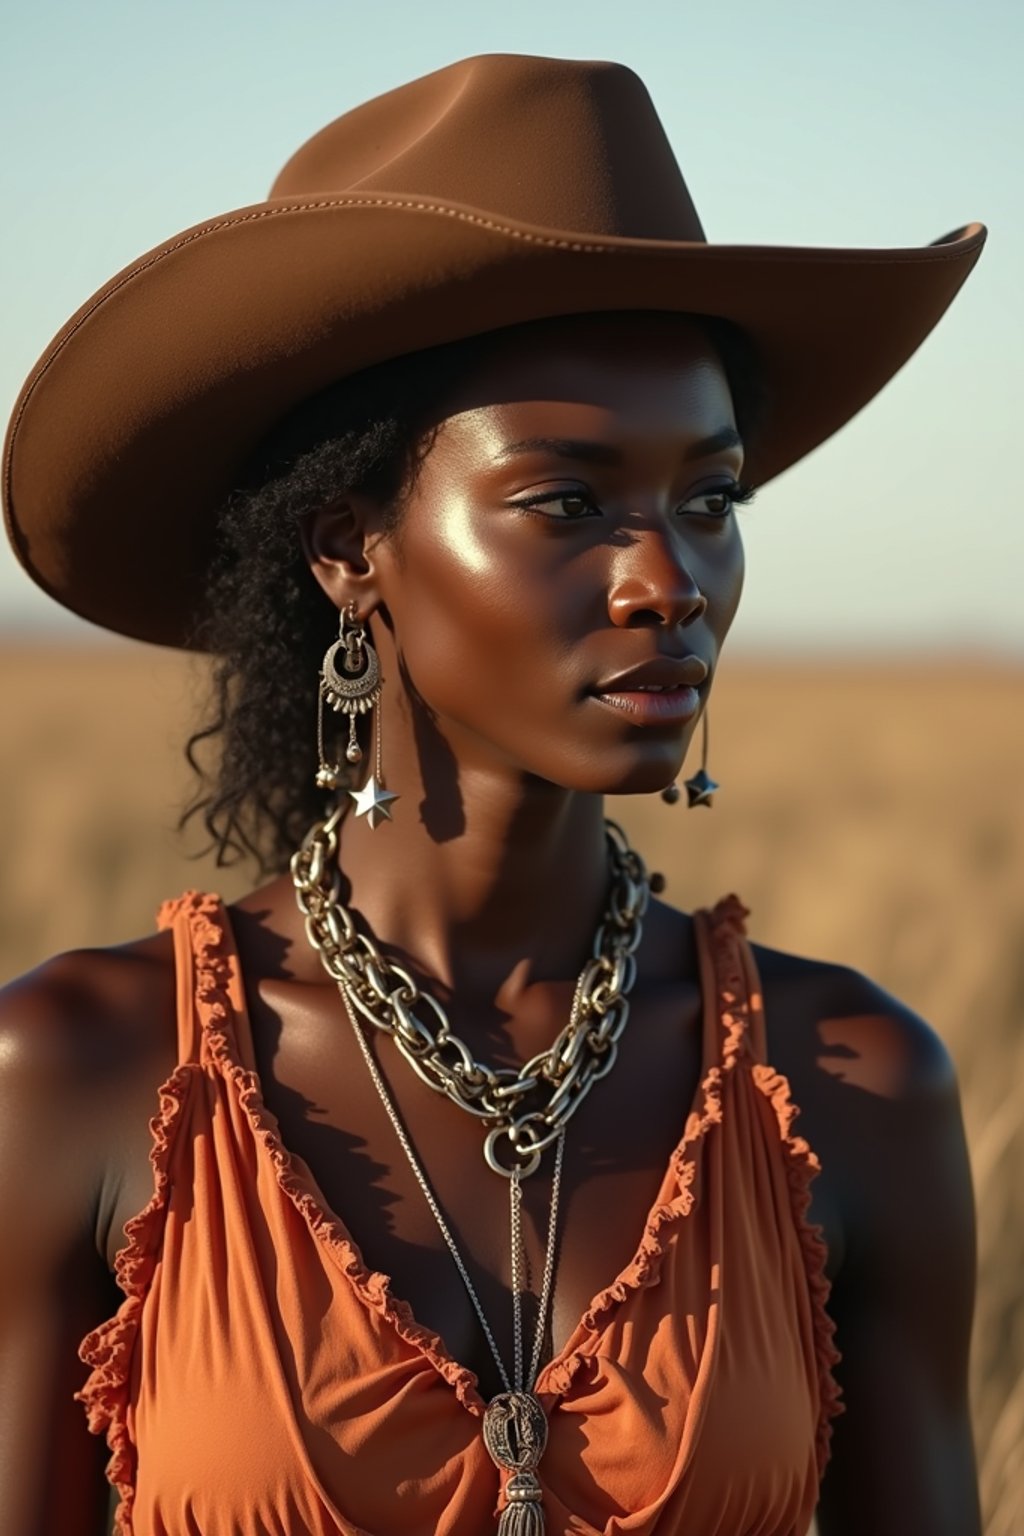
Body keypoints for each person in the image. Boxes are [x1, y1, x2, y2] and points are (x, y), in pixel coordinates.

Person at [0, 52, 985, 1536]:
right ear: (348, 548)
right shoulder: (75, 1074)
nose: (671, 584)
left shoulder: (852, 1087)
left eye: (711, 502)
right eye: (567, 502)